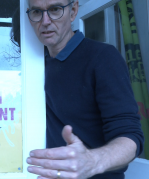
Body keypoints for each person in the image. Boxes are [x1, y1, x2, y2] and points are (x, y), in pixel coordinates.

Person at [25, 0, 144, 179]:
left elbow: (130, 137)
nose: (46, 21)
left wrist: (92, 161)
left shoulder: (103, 58)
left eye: (55, 9)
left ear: (73, 11)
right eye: (36, 12)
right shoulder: (33, 67)